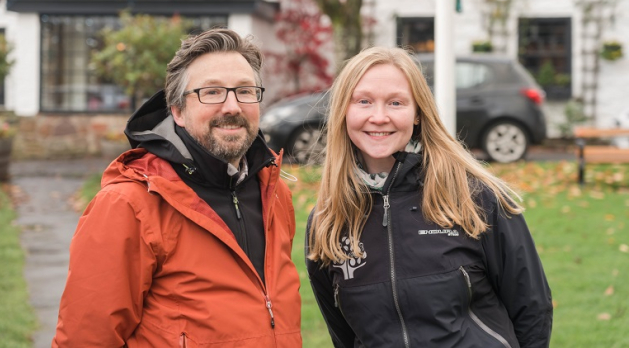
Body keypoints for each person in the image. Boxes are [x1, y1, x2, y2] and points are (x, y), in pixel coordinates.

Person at [53, 28, 302, 347]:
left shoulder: (274, 193)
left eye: (244, 91)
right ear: (177, 111)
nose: (232, 106)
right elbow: (85, 338)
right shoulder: (128, 204)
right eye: (211, 92)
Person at [306, 47, 552, 348]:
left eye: (396, 102)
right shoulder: (327, 221)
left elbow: (532, 310)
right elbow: (344, 334)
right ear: (344, 110)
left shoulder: (476, 198)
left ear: (418, 113)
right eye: (364, 101)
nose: (379, 117)